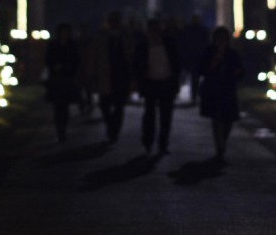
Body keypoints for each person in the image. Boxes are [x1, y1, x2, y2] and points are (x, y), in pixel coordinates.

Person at [133, 18, 181, 155]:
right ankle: (148, 142)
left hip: (166, 83)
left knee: (165, 116)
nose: (154, 33)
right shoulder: (143, 46)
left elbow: (176, 62)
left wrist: (175, 79)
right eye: (152, 30)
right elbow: (137, 65)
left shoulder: (168, 43)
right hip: (150, 84)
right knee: (149, 116)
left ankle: (163, 144)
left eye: (156, 30)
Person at [197, 26, 244, 161]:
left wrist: (237, 72)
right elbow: (201, 69)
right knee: (216, 118)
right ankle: (220, 147)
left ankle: (223, 141)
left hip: (227, 90)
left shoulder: (232, 53)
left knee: (228, 119)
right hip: (213, 89)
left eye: (224, 39)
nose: (221, 42)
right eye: (219, 39)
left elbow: (240, 70)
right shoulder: (209, 52)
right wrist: (213, 63)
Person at [90, 11, 135, 144]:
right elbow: (94, 54)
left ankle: (114, 131)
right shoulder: (101, 35)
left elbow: (131, 52)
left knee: (119, 106)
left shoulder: (125, 35)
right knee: (104, 104)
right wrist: (92, 72)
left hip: (121, 77)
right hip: (106, 76)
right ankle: (111, 126)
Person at [44, 23, 79, 143]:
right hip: (56, 79)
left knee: (65, 107)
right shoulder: (53, 45)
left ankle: (63, 129)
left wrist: (68, 67)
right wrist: (55, 66)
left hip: (67, 79)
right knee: (58, 107)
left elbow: (76, 61)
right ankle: (59, 130)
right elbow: (48, 60)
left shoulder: (72, 45)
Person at [179, 13, 210, 104]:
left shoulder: (190, 30)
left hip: (195, 57)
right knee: (195, 77)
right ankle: (196, 95)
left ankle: (195, 95)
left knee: (195, 77)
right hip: (196, 57)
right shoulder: (201, 30)